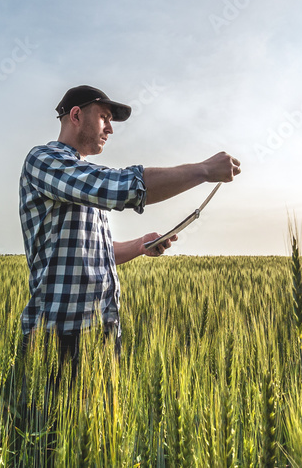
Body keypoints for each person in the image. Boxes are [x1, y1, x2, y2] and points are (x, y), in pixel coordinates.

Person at [15, 84, 240, 452]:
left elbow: (94, 251)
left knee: (98, 445)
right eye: (104, 116)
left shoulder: (80, 176)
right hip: (59, 340)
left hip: (102, 333)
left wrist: (138, 246)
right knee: (55, 449)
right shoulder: (44, 160)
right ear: (76, 115)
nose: (110, 127)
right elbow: (119, 188)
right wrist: (202, 170)